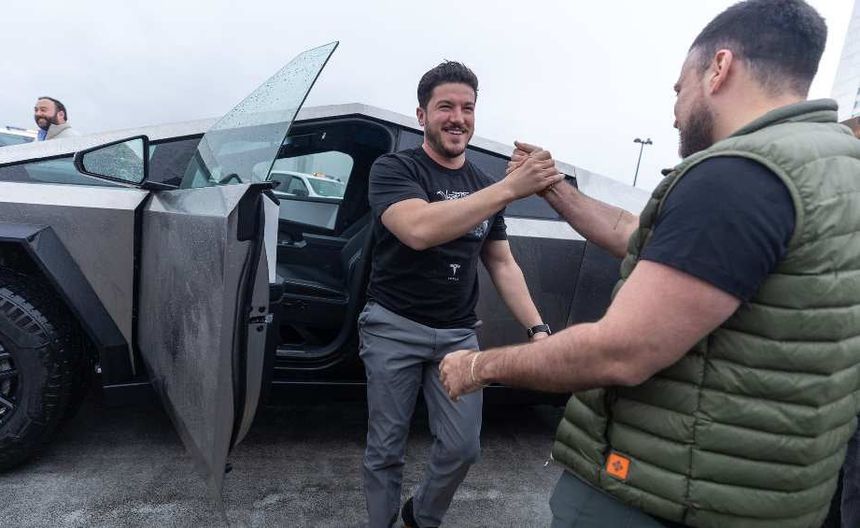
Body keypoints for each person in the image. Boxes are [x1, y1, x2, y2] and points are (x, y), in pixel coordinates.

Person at [439, 1, 860, 527]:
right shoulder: (832, 164)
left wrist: (479, 367)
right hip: (765, 494)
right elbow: (640, 235)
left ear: (719, 68)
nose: (675, 112)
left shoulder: (739, 176)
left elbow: (620, 351)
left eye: (679, 89)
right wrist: (554, 189)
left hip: (664, 490)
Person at [361, 60, 561, 528]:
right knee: (385, 448)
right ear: (421, 115)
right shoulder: (394, 168)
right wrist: (509, 188)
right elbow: (417, 229)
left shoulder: (483, 187)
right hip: (393, 327)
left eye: (467, 108)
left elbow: (502, 263)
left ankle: (420, 517)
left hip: (457, 336)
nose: (458, 118)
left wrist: (538, 329)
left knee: (463, 447)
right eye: (445, 107)